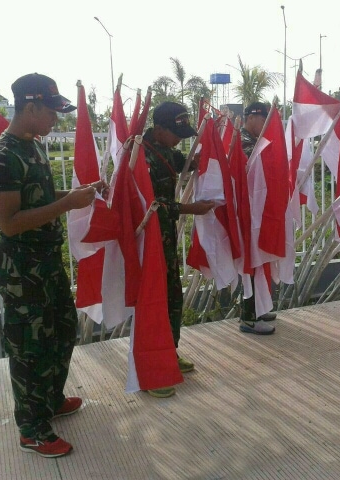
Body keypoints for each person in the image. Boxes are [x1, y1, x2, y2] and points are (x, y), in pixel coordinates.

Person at [0, 73, 101, 458]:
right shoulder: (3, 156)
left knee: (62, 332)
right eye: (51, 111)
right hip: (22, 268)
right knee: (29, 348)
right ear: (30, 107)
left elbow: (43, 199)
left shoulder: (33, 146)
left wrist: (80, 194)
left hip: (47, 261)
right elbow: (11, 222)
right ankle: (32, 428)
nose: (56, 119)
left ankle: (49, 401)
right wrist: (68, 205)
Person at [142, 101, 215, 397]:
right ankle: (149, 369)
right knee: (152, 302)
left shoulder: (166, 151)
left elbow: (182, 161)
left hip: (166, 239)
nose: (178, 140)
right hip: (147, 240)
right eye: (175, 134)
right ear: (158, 129)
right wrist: (189, 208)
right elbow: (147, 206)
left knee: (172, 296)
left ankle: (168, 352)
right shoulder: (141, 156)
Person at [238, 102, 276, 335]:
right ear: (252, 117)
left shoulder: (253, 140)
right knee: (250, 263)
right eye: (264, 120)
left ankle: (258, 308)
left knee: (259, 260)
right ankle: (248, 318)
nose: (265, 126)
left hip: (256, 210)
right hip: (247, 211)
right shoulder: (244, 142)